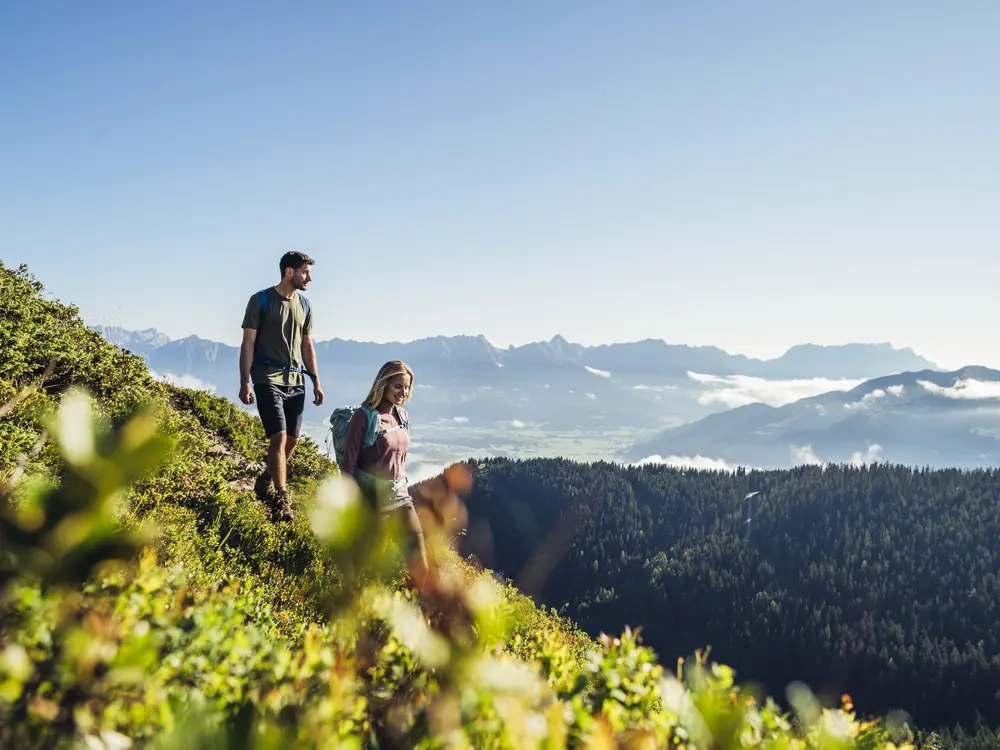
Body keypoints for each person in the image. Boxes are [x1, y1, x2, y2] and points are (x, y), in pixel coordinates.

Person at [239, 250, 325, 521]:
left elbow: (307, 345)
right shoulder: (260, 300)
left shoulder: (306, 305)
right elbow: (248, 343)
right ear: (290, 272)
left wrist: (316, 382)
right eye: (305, 272)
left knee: (292, 441)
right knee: (278, 436)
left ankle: (265, 479)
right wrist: (245, 382)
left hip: (296, 381)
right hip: (267, 379)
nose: (309, 278)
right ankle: (282, 498)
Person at [340, 360, 429, 587]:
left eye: (407, 387)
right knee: (362, 568)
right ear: (384, 384)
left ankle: (404, 614)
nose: (403, 392)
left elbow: (401, 459)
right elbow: (348, 464)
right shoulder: (365, 416)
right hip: (373, 501)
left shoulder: (403, 417)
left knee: (421, 567)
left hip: (401, 498)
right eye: (398, 386)